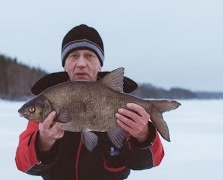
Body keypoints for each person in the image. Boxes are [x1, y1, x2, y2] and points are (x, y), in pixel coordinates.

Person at [15, 24, 164, 180]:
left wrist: (143, 135)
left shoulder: (123, 105)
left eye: (89, 56)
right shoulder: (49, 101)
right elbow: (22, 163)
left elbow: (153, 160)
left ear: (100, 64)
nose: (81, 64)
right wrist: (44, 141)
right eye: (73, 56)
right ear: (65, 64)